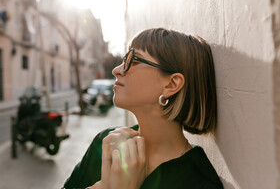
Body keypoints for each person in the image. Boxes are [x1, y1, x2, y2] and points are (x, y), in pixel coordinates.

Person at [63, 28, 224, 189]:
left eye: (133, 61)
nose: (117, 70)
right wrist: (102, 186)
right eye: (124, 60)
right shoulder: (107, 143)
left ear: (171, 84)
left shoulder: (200, 182)